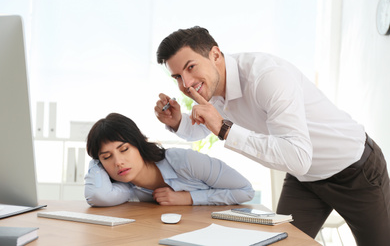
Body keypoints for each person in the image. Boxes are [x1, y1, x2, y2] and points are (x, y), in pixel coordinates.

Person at [154, 26, 390, 245]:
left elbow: (298, 155)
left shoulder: (267, 77)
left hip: (356, 171)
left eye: (190, 67)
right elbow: (206, 127)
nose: (186, 84)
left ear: (215, 55)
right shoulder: (211, 88)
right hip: (305, 178)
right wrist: (177, 122)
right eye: (176, 76)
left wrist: (225, 129)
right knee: (280, 243)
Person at [84, 112, 254, 207]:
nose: (118, 162)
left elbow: (246, 191)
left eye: (124, 149)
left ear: (139, 143)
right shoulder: (125, 187)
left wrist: (189, 199)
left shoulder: (184, 161)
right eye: (107, 157)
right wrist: (96, 161)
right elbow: (98, 195)